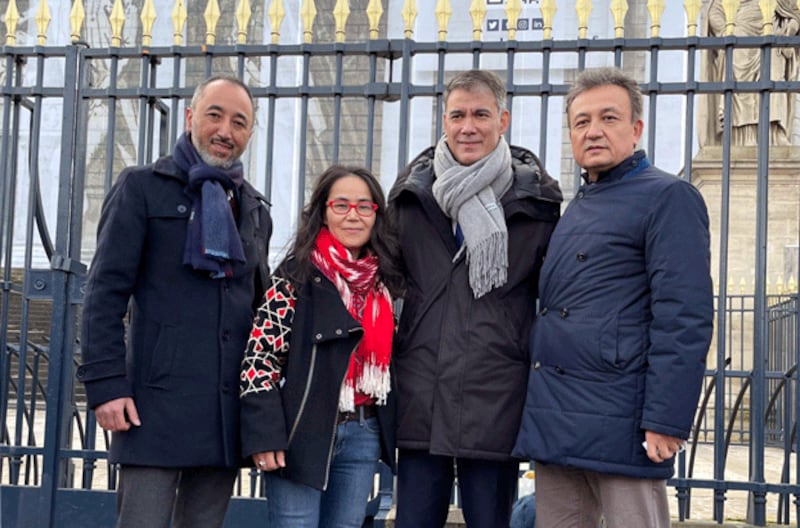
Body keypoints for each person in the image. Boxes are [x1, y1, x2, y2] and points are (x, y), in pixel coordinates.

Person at [513, 66, 714, 527]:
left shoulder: (669, 197)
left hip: (624, 420)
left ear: (636, 128)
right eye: (581, 122)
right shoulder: (577, 203)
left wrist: (667, 417)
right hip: (558, 416)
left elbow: (684, 316)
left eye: (608, 118)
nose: (594, 131)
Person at [77, 75, 272, 528]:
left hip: (222, 410)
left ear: (248, 133)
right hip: (152, 406)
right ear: (190, 118)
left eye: (239, 122)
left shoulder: (253, 208)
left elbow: (259, 309)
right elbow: (104, 292)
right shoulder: (142, 188)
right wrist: (106, 384)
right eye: (215, 115)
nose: (226, 130)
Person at [388, 69, 563, 528]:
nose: (469, 126)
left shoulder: (538, 203)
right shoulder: (409, 197)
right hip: (422, 392)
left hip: (496, 394)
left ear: (502, 120)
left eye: (481, 114)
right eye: (458, 115)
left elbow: (558, 296)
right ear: (443, 122)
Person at [239, 165, 404, 528]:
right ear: (323, 213)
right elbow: (260, 357)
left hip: (363, 432)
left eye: (364, 206)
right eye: (341, 205)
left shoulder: (388, 283)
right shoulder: (295, 275)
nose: (353, 216)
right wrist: (264, 433)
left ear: (377, 215)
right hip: (302, 430)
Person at [701, 0, 800, 146]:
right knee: (736, 76)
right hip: (739, 32)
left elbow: (793, 12)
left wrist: (792, 25)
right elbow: (714, 11)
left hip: (769, 32)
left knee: (773, 76)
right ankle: (740, 136)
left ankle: (772, 133)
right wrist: (728, 30)